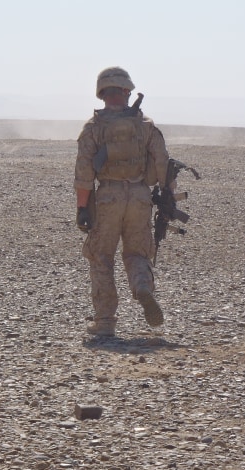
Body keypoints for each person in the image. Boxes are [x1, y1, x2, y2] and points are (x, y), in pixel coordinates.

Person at [74, 67, 173, 337]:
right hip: (140, 197)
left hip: (107, 198)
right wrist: (167, 200)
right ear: (127, 91)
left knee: (101, 256)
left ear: (102, 94)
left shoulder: (93, 128)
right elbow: (164, 166)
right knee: (137, 253)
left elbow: (84, 175)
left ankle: (105, 321)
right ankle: (142, 286)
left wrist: (83, 207)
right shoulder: (146, 126)